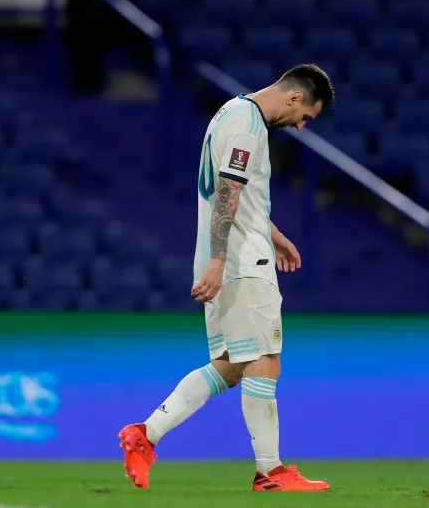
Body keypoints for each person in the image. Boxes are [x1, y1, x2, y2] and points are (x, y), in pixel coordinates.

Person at [117, 65, 335, 492]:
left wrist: (273, 235)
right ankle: (270, 471)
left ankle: (145, 434)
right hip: (239, 262)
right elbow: (227, 195)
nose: (302, 126)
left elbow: (239, 195)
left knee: (233, 366)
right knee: (266, 360)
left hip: (229, 255)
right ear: (293, 98)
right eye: (306, 116)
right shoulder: (249, 127)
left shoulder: (229, 112)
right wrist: (221, 260)